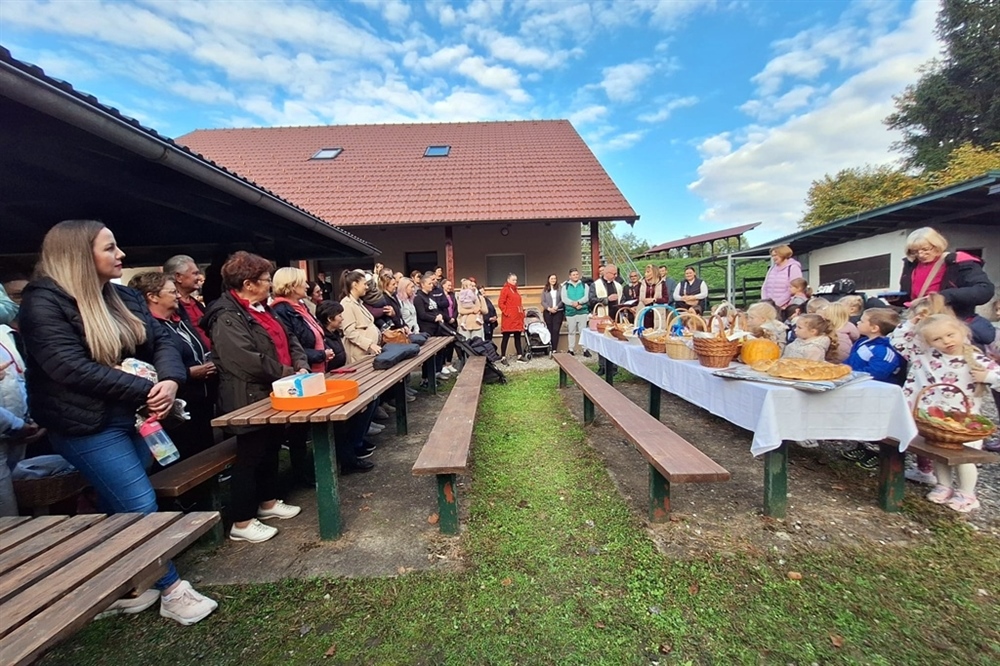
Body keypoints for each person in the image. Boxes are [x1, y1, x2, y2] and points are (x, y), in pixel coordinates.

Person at [19, 220, 216, 624]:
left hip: (135, 417)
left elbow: (161, 340)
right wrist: (144, 390)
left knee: (118, 502)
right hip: (85, 426)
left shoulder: (121, 296)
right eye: (109, 248)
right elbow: (68, 367)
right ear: (78, 255)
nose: (120, 255)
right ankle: (172, 589)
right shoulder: (43, 304)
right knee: (139, 503)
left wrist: (169, 380)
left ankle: (129, 585)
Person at [201, 251, 305, 544]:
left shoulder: (261, 308)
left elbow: (288, 338)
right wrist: (288, 371)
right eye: (265, 280)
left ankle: (268, 503)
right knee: (250, 456)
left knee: (271, 448)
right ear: (248, 283)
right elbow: (246, 360)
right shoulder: (226, 316)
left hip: (275, 392)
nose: (270, 284)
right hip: (246, 398)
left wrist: (300, 364)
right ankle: (242, 521)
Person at [901, 314, 1000, 512]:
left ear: (962, 332)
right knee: (940, 455)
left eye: (950, 334)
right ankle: (943, 485)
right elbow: (900, 343)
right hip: (935, 420)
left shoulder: (977, 359)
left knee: (965, 459)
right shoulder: (927, 357)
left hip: (964, 423)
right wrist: (911, 323)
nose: (946, 341)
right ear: (929, 342)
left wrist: (987, 376)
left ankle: (967, 493)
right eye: (937, 339)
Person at [128, 272, 217, 461]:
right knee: (183, 460)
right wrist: (188, 373)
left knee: (204, 454)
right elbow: (148, 368)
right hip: (174, 409)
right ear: (152, 296)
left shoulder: (180, 321)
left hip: (202, 400)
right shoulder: (144, 331)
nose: (178, 296)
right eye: (171, 292)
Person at [898, 227, 995, 347]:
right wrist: (898, 299)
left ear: (937, 245)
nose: (920, 255)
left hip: (953, 326)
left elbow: (984, 290)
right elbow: (911, 297)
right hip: (922, 323)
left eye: (925, 249)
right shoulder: (911, 265)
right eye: (915, 251)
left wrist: (944, 296)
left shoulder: (959, 261)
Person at [840, 308, 906, 468]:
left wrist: (852, 374)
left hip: (878, 393)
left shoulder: (886, 350)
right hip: (857, 387)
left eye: (862, 321)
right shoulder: (862, 342)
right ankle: (861, 447)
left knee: (875, 422)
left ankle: (877, 453)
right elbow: (850, 361)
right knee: (860, 419)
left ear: (874, 327)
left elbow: (879, 372)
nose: (857, 322)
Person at [315, 301, 376, 473]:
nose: (342, 318)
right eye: (339, 316)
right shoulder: (323, 338)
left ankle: (357, 442)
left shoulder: (334, 334)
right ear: (329, 318)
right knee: (350, 413)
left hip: (340, 379)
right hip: (329, 385)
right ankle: (348, 457)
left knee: (371, 398)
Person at [271, 268, 332, 375]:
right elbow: (291, 347)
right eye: (304, 282)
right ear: (292, 286)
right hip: (303, 373)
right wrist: (321, 354)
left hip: (317, 369)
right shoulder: (281, 310)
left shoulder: (301, 307)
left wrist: (325, 351)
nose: (307, 286)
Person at [163, 255, 211, 351]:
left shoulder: (198, 304)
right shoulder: (170, 307)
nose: (199, 278)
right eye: (195, 273)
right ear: (178, 277)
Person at [339, 270, 383, 364]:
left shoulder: (359, 302)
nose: (367, 287)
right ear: (355, 285)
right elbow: (350, 332)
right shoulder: (347, 304)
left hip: (366, 354)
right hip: (358, 357)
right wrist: (369, 344)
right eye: (364, 284)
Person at [414, 272, 450, 384]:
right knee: (428, 356)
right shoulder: (418, 298)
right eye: (429, 283)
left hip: (437, 328)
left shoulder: (431, 296)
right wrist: (435, 318)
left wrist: (440, 316)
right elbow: (422, 314)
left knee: (438, 353)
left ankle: (435, 375)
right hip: (426, 329)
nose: (432, 285)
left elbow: (436, 309)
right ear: (423, 284)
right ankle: (425, 378)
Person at [760, 245, 803, 309]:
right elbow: (764, 287)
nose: (774, 258)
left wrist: (776, 304)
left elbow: (794, 288)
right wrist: (765, 302)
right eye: (772, 256)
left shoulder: (793, 267)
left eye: (776, 255)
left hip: (784, 308)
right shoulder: (772, 268)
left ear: (783, 254)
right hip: (769, 307)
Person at [497, 273, 526, 364]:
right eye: (513, 280)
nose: (515, 282)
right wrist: (508, 313)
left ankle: (520, 355)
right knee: (506, 337)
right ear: (508, 280)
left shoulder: (516, 290)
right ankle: (503, 356)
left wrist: (522, 313)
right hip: (509, 319)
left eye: (516, 280)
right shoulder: (505, 290)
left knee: (517, 336)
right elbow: (501, 303)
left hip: (517, 318)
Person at [560, 269, 591, 356]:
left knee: (583, 331)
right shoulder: (565, 286)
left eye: (577, 274)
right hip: (570, 312)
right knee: (571, 331)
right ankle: (571, 349)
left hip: (582, 311)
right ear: (570, 276)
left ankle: (585, 350)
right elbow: (564, 298)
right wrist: (573, 304)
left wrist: (579, 302)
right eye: (573, 275)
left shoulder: (584, 285)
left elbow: (586, 297)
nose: (575, 276)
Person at [541, 274, 564, 352]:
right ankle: (549, 347)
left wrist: (557, 307)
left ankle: (554, 348)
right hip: (548, 312)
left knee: (556, 330)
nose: (553, 280)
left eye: (554, 278)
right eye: (552, 278)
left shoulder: (560, 288)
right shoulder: (545, 289)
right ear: (548, 280)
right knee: (549, 330)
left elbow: (562, 299)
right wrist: (549, 308)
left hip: (558, 312)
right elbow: (543, 302)